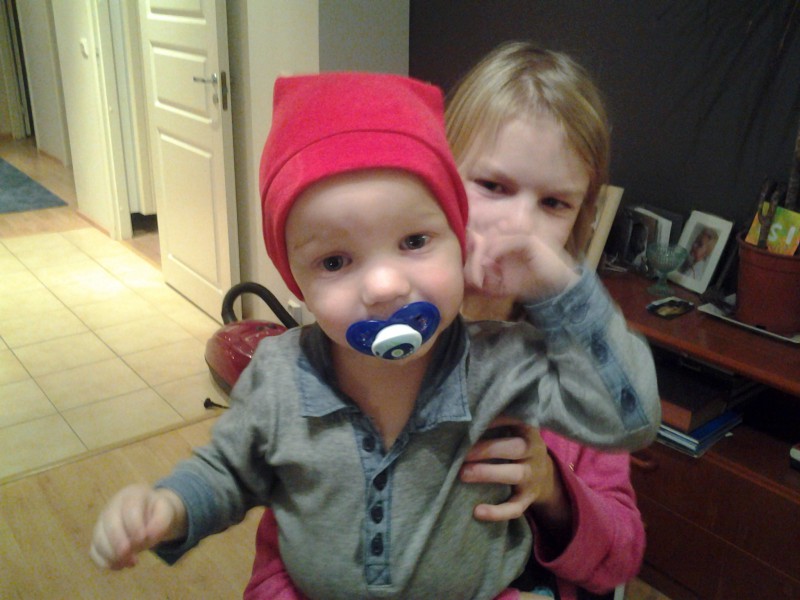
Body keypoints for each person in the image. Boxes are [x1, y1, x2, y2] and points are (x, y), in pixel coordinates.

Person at [90, 72, 659, 599]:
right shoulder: (282, 375)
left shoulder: (509, 363)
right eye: (335, 261)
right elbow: (232, 472)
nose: (384, 286)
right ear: (298, 281)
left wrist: (564, 291)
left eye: (414, 242)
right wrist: (168, 507)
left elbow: (627, 422)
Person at [246, 43, 655, 600]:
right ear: (436, 178)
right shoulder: (358, 340)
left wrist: (551, 489)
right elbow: (283, 553)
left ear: (580, 218)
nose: (519, 227)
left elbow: (622, 556)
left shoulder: (581, 359)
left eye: (554, 203)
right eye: (493, 186)